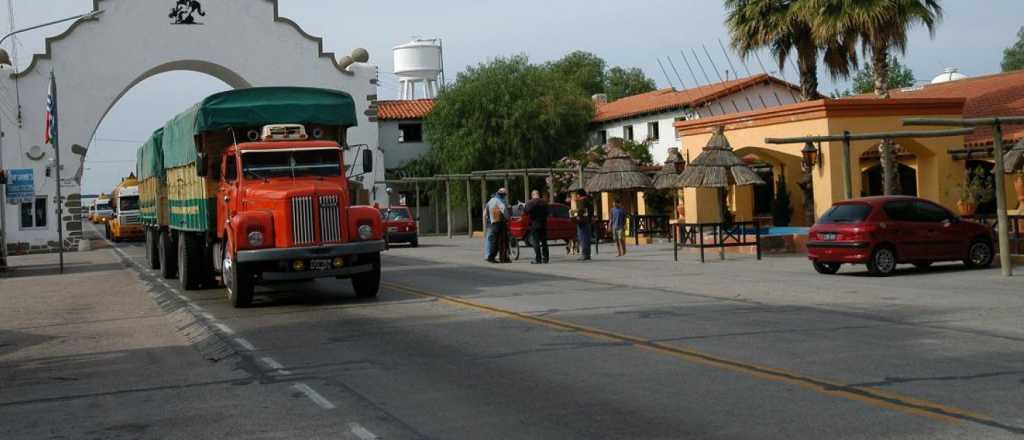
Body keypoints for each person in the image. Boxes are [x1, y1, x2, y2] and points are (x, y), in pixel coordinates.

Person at [523, 190, 549, 264]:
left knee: (536, 242)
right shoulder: (544, 202)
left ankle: (538, 259)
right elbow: (548, 212)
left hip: (535, 224)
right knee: (544, 242)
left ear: (532, 195)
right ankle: (546, 258)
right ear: (538, 194)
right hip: (543, 224)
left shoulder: (530, 203)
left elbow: (526, 211)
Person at [486, 188, 510, 263]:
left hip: (493, 223)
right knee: (503, 241)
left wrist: (490, 220)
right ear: (502, 195)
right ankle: (503, 258)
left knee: (495, 241)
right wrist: (508, 218)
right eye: (504, 194)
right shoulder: (499, 201)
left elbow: (487, 210)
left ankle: (491, 257)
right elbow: (504, 210)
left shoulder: (491, 201)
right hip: (500, 223)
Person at [574, 189, 594, 261]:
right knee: (587, 238)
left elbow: (581, 210)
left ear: (579, 194)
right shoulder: (589, 200)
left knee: (583, 238)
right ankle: (587, 254)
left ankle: (584, 254)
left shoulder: (582, 201)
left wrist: (575, 214)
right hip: (588, 220)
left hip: (582, 221)